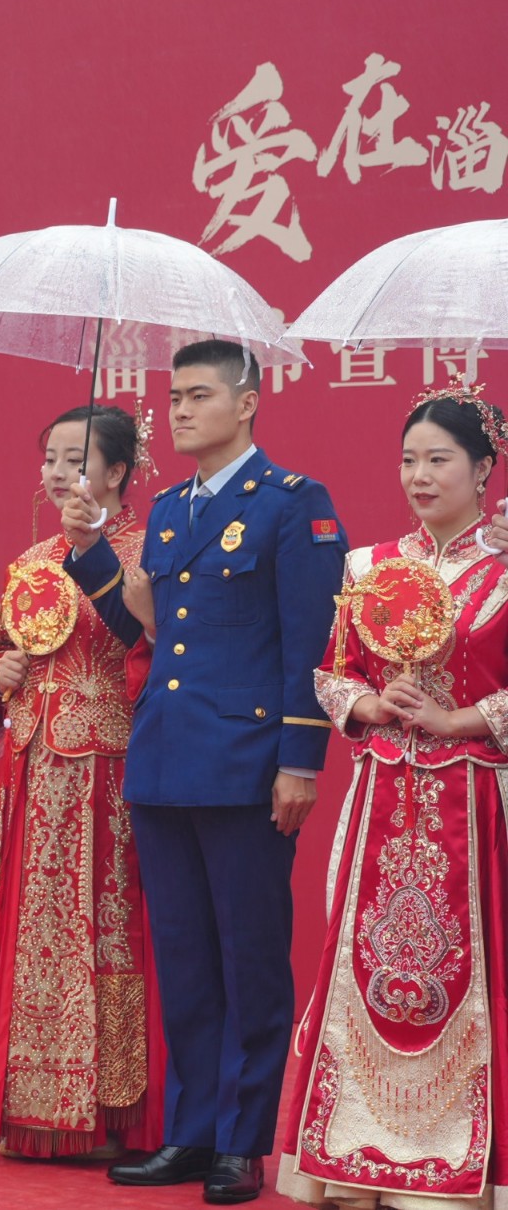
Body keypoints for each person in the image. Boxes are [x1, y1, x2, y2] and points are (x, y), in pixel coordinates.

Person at [63, 340, 345, 1204]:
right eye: (173, 398)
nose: (179, 411)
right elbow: (147, 633)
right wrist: (91, 551)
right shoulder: (171, 510)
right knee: (183, 958)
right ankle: (188, 1133)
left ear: (247, 402)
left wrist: (299, 761)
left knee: (249, 957)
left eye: (198, 395)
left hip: (247, 764)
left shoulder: (292, 503)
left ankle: (240, 1141)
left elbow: (310, 644)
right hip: (165, 758)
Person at [278, 386, 508, 1210]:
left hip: (472, 806)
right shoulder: (369, 569)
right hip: (380, 801)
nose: (419, 475)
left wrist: (458, 719)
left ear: (484, 469)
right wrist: (370, 704)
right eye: (409, 459)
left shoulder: (505, 571)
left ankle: (451, 1168)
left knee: (464, 975)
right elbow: (332, 671)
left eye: (439, 459)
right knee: (364, 967)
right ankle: (354, 1154)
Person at [0, 405, 167, 1158]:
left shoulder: (145, 554)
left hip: (106, 769)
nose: (56, 472)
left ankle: (106, 1107)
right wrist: (1, 673)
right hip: (33, 769)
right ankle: (29, 1102)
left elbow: (151, 651)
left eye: (76, 459)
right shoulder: (34, 557)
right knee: (32, 928)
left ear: (116, 472)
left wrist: (93, 554)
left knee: (101, 924)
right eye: (50, 458)